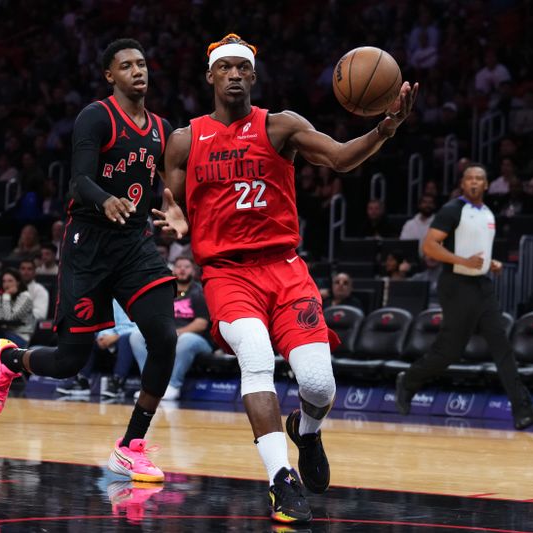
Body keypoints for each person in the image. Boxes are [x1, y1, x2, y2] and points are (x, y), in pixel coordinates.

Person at [156, 33, 418, 523]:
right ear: (210, 75)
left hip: (285, 270)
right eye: (225, 67)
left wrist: (387, 127)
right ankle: (281, 480)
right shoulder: (184, 140)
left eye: (243, 68)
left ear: (253, 77)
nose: (234, 74)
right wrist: (172, 221)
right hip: (227, 275)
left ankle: (309, 431)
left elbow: (340, 158)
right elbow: (171, 209)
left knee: (319, 385)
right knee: (255, 361)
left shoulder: (281, 127)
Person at [0, 38, 177, 484]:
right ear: (110, 75)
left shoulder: (163, 128)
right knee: (70, 361)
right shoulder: (97, 116)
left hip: (136, 245)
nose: (137, 71)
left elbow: (170, 182)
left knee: (164, 337)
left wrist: (174, 206)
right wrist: (104, 200)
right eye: (126, 66)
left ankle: (130, 447)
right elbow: (79, 180)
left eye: (142, 63)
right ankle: (11, 361)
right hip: (88, 243)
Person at [394, 164, 533, 431]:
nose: (474, 182)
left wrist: (489, 263)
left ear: (487, 185)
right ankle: (408, 380)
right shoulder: (453, 209)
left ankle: (523, 411)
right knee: (449, 352)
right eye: (469, 178)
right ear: (463, 183)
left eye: (479, 179)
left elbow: (475, 251)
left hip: (481, 285)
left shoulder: (488, 213)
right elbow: (430, 246)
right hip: (456, 286)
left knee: (502, 346)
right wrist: (463, 261)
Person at [129, 256, 213, 401]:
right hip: (168, 336)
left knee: (185, 340)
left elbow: (201, 324)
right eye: (179, 266)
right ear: (173, 270)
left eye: (186, 267)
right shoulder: (165, 293)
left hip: (197, 340)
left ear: (193, 271)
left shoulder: (199, 293)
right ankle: (150, 385)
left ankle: (173, 385)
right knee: (136, 335)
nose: (182, 269)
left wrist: (177, 333)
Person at [0, 268, 35, 348]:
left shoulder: (25, 297)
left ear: (18, 282)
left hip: (21, 337)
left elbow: (9, 318)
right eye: (4, 281)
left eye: (10, 281)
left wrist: (6, 296)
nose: (6, 284)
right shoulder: (0, 297)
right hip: (4, 333)